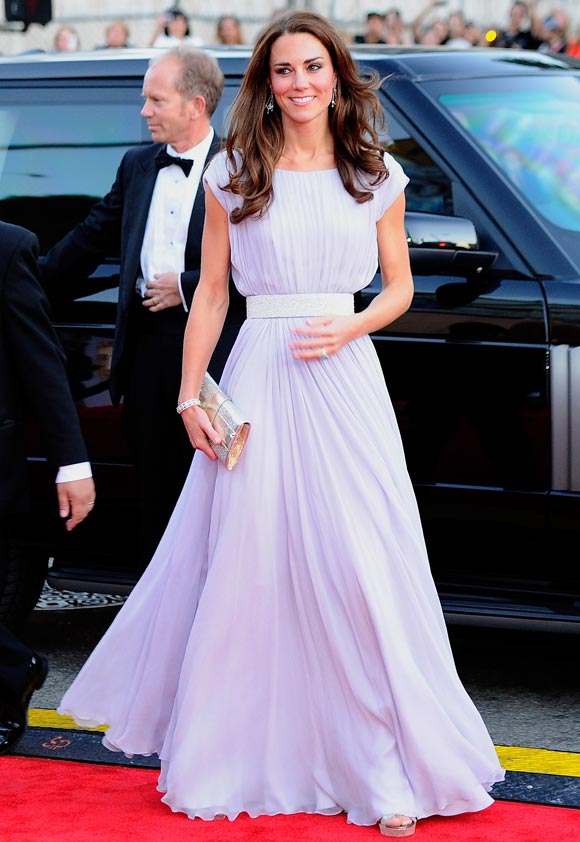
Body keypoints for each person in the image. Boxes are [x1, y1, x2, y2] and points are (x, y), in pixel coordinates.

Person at [58, 11, 504, 836]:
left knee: (362, 566)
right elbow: (214, 294)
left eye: (312, 68)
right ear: (265, 83)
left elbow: (399, 289)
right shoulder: (235, 169)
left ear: (337, 74)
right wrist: (192, 394)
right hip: (259, 372)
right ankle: (245, 752)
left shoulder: (377, 173)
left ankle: (377, 763)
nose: (299, 84)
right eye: (283, 71)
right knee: (252, 568)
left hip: (344, 374)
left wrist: (355, 325)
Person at [40, 47, 245, 564]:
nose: (144, 111)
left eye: (156, 100)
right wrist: (21, 285)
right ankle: (161, 619)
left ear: (196, 105)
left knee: (223, 494)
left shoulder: (240, 168)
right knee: (155, 496)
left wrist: (187, 282)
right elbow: (88, 240)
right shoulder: (136, 165)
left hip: (223, 358)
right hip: (148, 355)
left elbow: (268, 267)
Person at [0, 221, 95, 756]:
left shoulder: (10, 247)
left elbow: (42, 363)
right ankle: (14, 667)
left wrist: (72, 462)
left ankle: (12, 670)